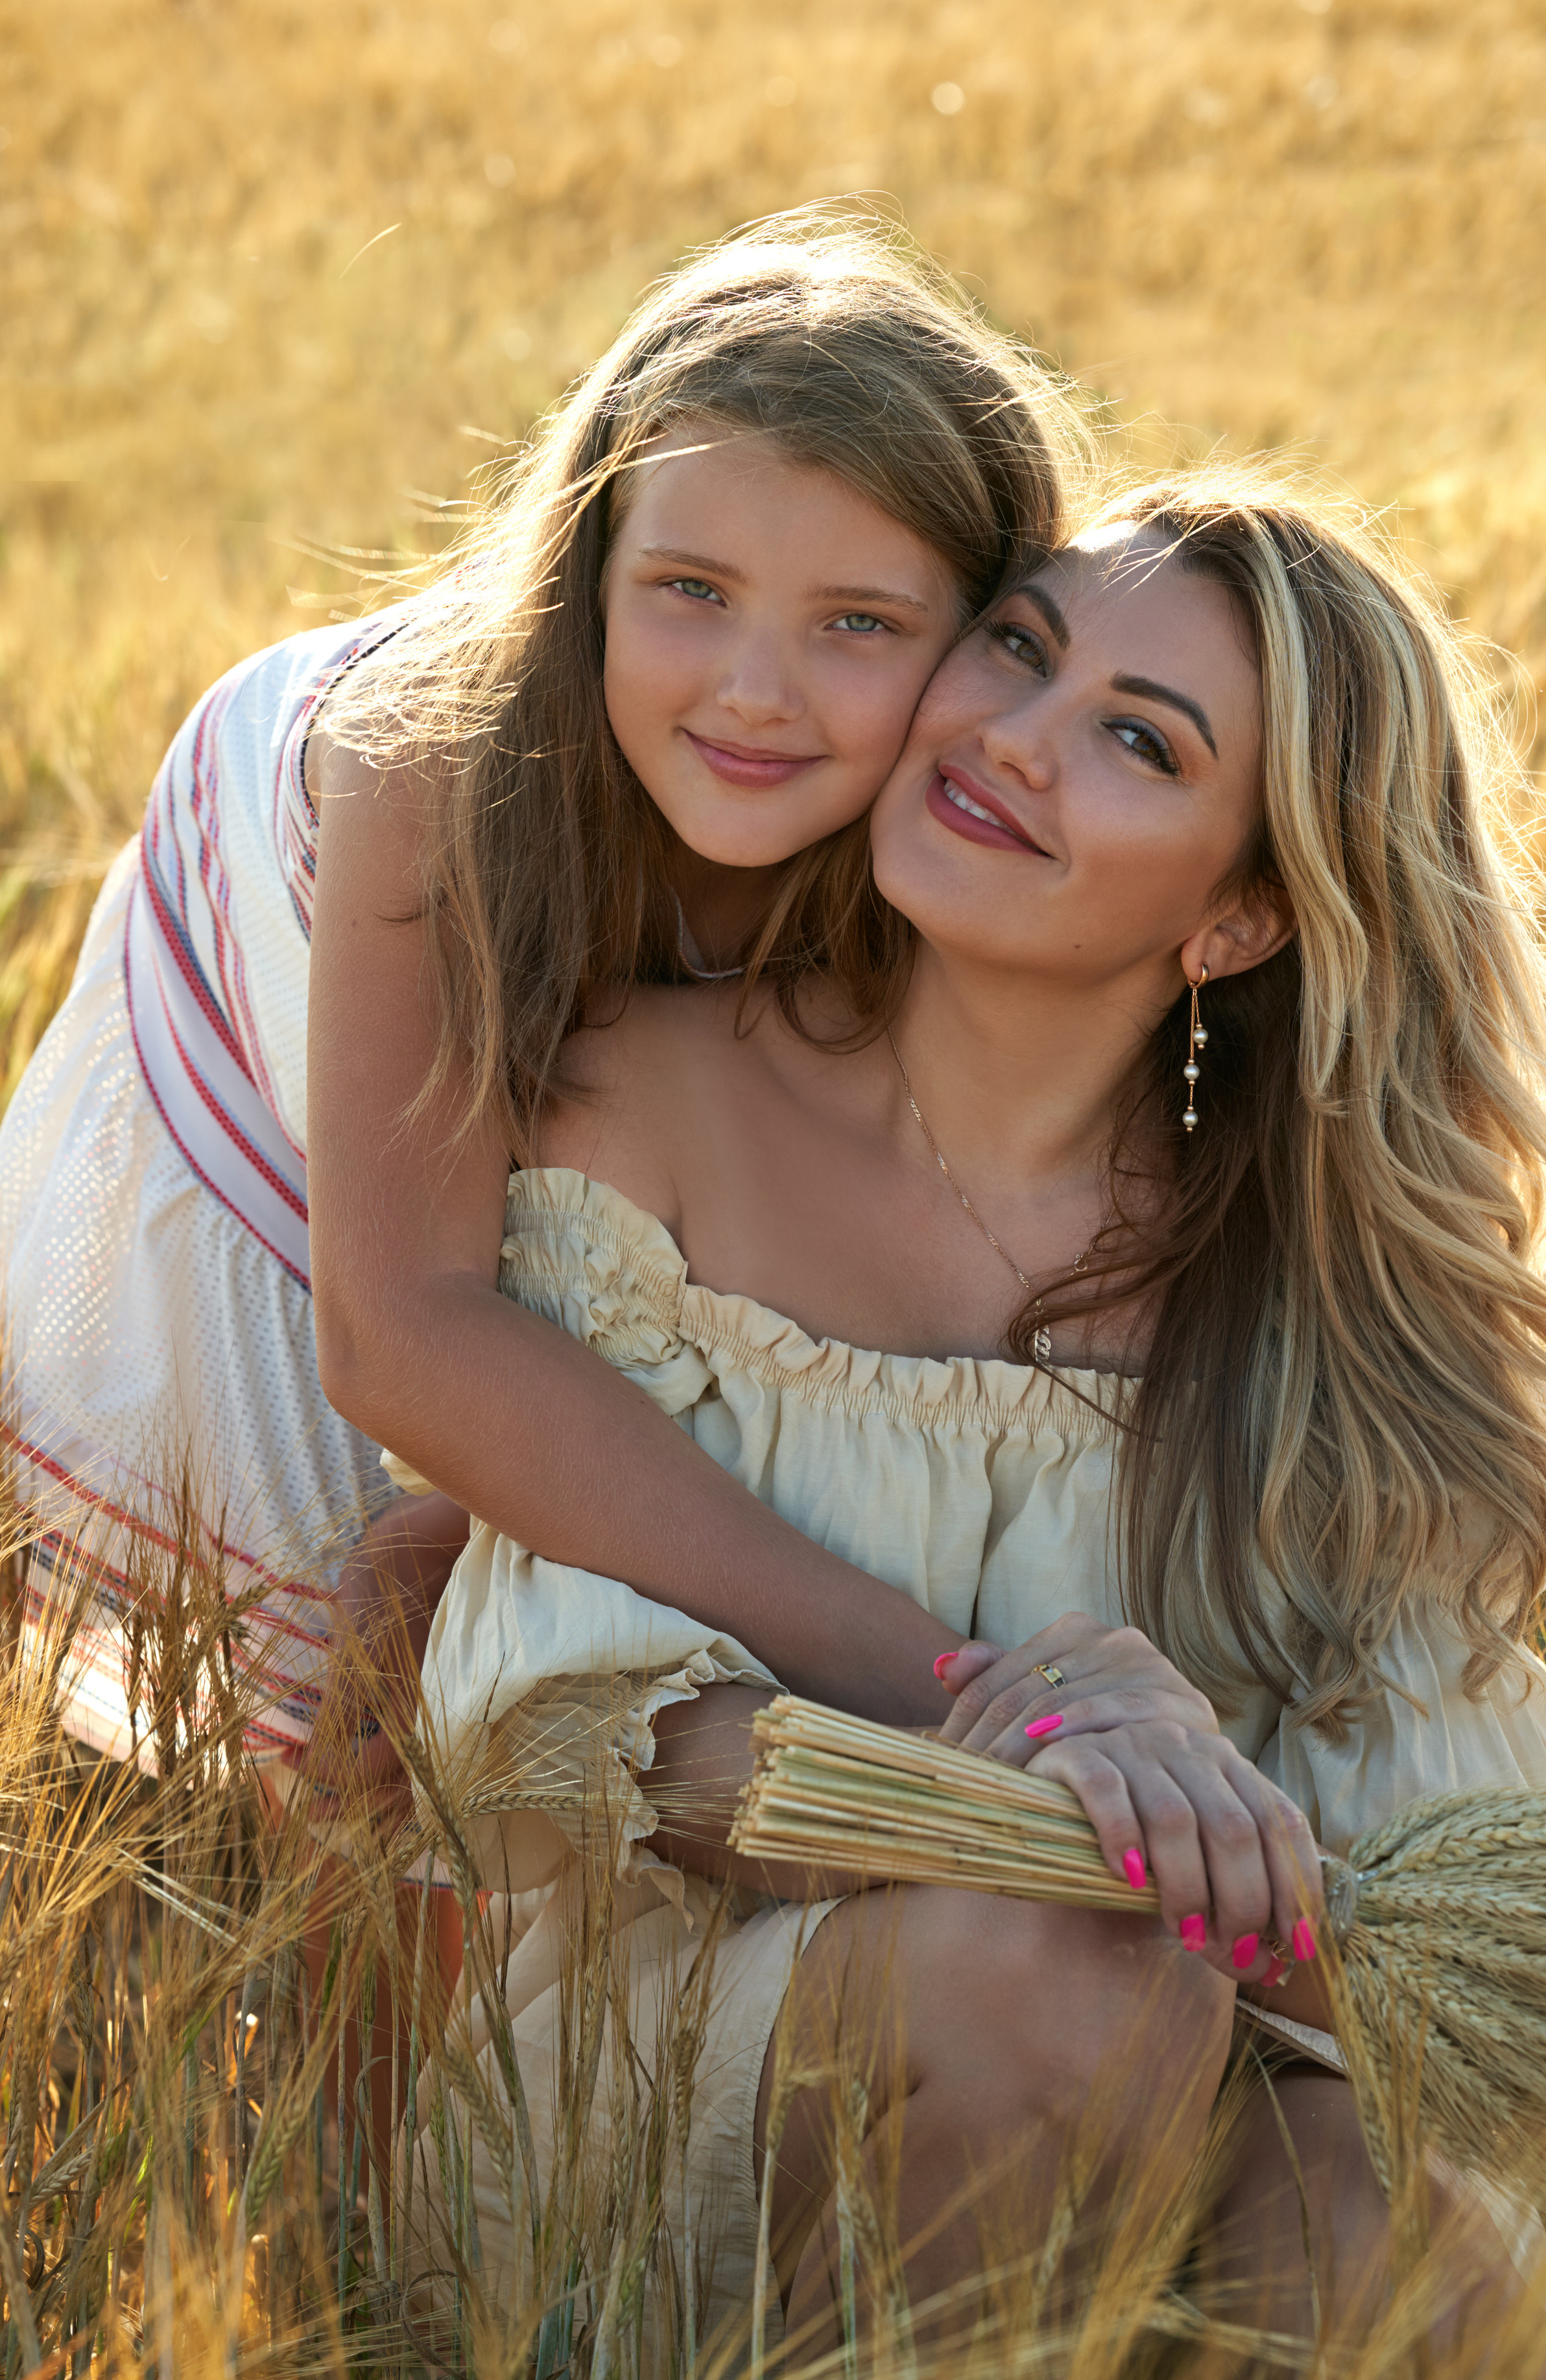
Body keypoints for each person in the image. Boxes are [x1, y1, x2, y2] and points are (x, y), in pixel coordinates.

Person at [399, 475, 1546, 2380]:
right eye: (1022, 649)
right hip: (645, 2080)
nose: (1013, 740)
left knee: (1371, 2221)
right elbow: (577, 1756)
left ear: (1241, 914)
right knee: (1060, 1971)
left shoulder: (1303, 1323)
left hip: (1165, 2104)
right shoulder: (633, 1107)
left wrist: (1214, 1860)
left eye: (1139, 743)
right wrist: (1021, 1750)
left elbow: (1433, 1924)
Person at [0, 211, 1080, 1774]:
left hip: (540, 1178)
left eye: (858, 622)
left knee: (537, 1555)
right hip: (274, 1042)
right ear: (589, 566)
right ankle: (349, 1960)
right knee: (382, 1611)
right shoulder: (432, 755)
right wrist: (931, 1677)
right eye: (690, 588)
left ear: (982, 644)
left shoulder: (942, 826)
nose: (754, 691)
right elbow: (403, 1343)